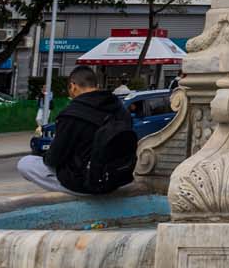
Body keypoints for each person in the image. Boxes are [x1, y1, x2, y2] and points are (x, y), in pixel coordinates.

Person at [17, 65, 138, 194]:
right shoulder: (119, 107)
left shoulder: (72, 113)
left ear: (73, 86)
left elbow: (54, 159)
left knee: (25, 163)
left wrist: (46, 155)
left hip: (86, 183)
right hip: (117, 179)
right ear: (95, 85)